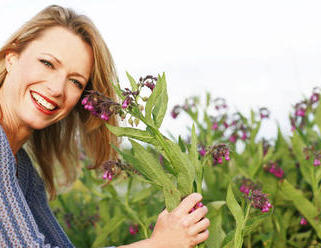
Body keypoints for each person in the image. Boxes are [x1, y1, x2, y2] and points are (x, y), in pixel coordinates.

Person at [0, 5, 209, 248]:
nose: (57, 88)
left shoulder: (22, 169)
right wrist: (158, 244)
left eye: (75, 82)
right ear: (11, 57)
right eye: (47, 63)